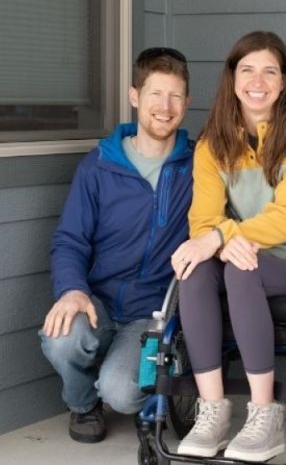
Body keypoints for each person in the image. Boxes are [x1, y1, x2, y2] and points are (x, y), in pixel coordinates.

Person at [170, 31, 286, 462]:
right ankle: (213, 412)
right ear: (232, 78)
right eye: (247, 69)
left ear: (284, 81)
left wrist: (222, 238)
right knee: (195, 270)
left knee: (240, 268)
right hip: (240, 254)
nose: (257, 81)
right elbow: (203, 219)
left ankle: (264, 417)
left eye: (269, 71)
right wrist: (220, 242)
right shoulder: (212, 144)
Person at [39, 47, 194, 443]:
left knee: (122, 393)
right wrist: (73, 290)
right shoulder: (99, 165)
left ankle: (116, 381)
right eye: (155, 93)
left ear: (187, 102)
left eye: (175, 95)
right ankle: (82, 404)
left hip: (153, 313)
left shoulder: (197, 167)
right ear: (134, 96)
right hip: (99, 302)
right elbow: (70, 239)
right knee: (63, 336)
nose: (165, 106)